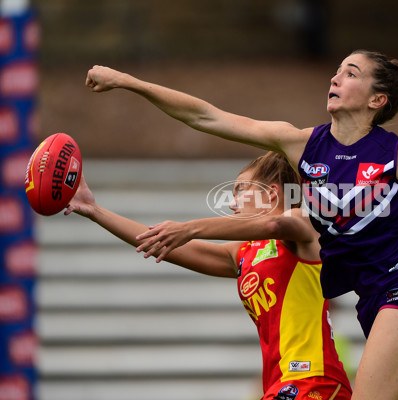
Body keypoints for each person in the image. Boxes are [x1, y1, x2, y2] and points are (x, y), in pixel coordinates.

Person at [85, 50, 398, 400]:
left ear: (377, 99)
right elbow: (205, 116)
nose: (336, 78)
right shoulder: (300, 144)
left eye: (350, 73)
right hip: (374, 298)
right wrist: (130, 82)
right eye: (337, 70)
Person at [64, 152, 353, 400]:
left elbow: (274, 224)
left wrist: (190, 227)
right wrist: (95, 211)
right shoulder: (244, 252)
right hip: (282, 386)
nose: (232, 201)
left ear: (272, 193)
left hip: (315, 380)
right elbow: (159, 242)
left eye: (241, 190)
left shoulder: (302, 225)